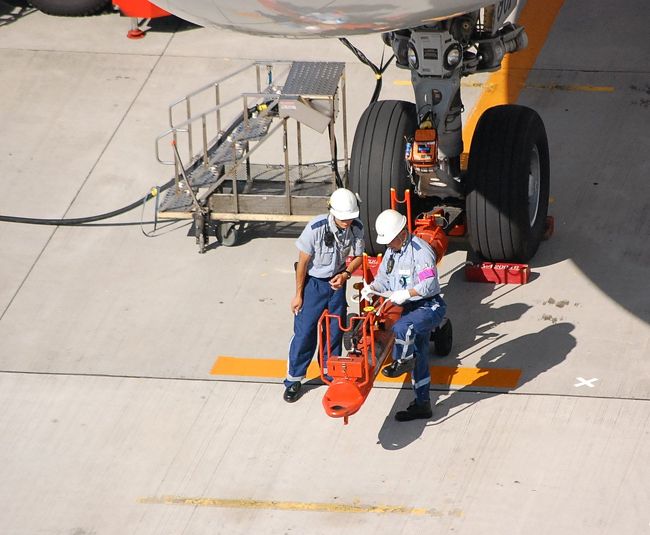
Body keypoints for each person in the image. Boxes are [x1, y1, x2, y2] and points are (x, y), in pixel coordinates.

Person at [361, 209, 446, 421]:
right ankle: (422, 404)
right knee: (421, 356)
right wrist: (372, 288)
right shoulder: (392, 251)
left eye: (390, 240)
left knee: (401, 328)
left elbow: (429, 284)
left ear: (401, 234)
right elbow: (384, 278)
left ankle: (402, 361)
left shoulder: (421, 252)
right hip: (411, 307)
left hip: (429, 306)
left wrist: (407, 293)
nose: (388, 245)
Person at [283, 188, 365, 403]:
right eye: (343, 218)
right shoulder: (315, 228)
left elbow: (358, 257)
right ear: (333, 212)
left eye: (350, 217)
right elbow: (302, 263)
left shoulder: (356, 228)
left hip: (337, 283)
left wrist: (346, 274)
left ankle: (331, 371)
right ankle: (294, 380)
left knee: (334, 330)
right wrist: (299, 294)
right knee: (305, 332)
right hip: (314, 285)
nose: (347, 221)